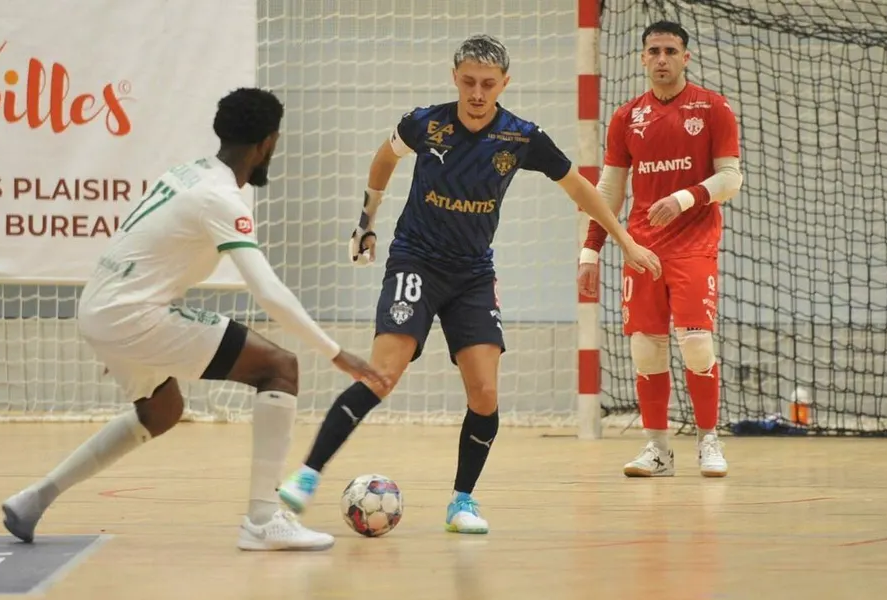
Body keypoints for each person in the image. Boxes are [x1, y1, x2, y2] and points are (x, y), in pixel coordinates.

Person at [277, 34, 661, 534]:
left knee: (483, 392)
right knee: (381, 374)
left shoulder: (522, 137)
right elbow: (384, 159)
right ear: (454, 77)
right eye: (468, 82)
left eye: (487, 84)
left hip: (473, 274)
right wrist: (366, 220)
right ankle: (307, 475)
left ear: (505, 83)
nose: (477, 93)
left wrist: (626, 242)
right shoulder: (425, 123)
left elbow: (581, 189)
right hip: (415, 262)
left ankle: (462, 503)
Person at [0, 87, 389, 552]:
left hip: (101, 307)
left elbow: (142, 250)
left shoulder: (187, 173)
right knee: (279, 368)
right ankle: (263, 521)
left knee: (161, 411)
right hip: (130, 315)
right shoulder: (221, 198)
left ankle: (33, 499)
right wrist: (335, 351)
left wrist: (117, 336)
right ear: (269, 143)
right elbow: (267, 290)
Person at [577, 21, 743, 478]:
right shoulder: (627, 117)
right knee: (645, 350)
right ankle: (658, 450)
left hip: (694, 245)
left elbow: (731, 178)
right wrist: (591, 251)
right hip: (641, 249)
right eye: (654, 51)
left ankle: (709, 439)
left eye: (671, 50)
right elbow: (607, 190)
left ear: (686, 57)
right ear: (643, 58)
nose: (663, 58)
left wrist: (685, 197)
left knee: (695, 342)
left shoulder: (713, 108)